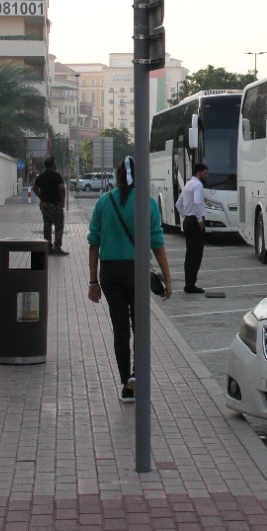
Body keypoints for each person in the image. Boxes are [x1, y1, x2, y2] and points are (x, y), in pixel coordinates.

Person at [88, 156, 173, 402]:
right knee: (140, 327)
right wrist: (168, 279)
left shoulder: (104, 203)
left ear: (117, 177)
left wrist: (93, 281)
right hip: (136, 271)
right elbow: (157, 244)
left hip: (109, 272)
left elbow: (94, 243)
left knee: (120, 328)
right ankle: (137, 374)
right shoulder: (147, 204)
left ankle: (126, 383)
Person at [175, 163, 208, 294]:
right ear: (199, 173)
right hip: (195, 222)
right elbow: (198, 203)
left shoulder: (188, 184)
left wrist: (186, 216)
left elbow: (178, 204)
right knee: (196, 254)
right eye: (205, 173)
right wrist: (199, 220)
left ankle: (188, 283)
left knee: (189, 254)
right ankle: (191, 285)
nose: (206, 176)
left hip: (188, 221)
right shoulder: (198, 185)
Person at [31, 157, 68, 255]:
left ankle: (47, 247)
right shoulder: (56, 176)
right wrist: (62, 201)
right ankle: (57, 247)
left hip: (44, 204)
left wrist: (41, 197)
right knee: (59, 225)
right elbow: (62, 188)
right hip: (55, 204)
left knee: (47, 225)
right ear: (53, 165)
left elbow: (34, 188)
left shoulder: (41, 176)